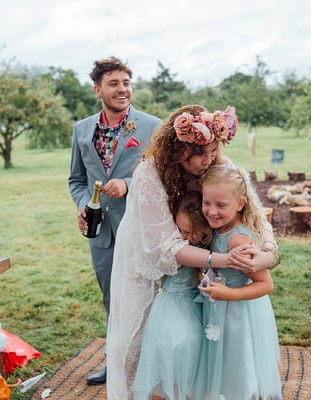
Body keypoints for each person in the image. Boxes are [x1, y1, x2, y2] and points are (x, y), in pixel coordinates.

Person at [106, 104, 281, 399]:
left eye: (213, 151)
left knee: (201, 347)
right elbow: (166, 247)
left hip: (203, 272)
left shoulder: (217, 169)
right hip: (149, 264)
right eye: (201, 152)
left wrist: (268, 255)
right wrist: (222, 260)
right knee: (153, 346)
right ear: (177, 148)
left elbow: (258, 219)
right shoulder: (150, 174)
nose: (207, 160)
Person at [68, 56, 161, 385]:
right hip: (102, 235)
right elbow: (76, 180)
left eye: (126, 83)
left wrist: (129, 185)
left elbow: (165, 177)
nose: (123, 90)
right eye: (114, 84)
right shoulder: (81, 131)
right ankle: (118, 364)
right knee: (113, 298)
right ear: (98, 90)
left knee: (149, 296)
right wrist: (83, 205)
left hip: (142, 230)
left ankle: (152, 366)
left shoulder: (152, 126)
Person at [195, 164, 282, 400]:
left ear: (241, 204)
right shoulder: (217, 229)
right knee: (222, 365)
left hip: (239, 314)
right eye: (207, 203)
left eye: (221, 205)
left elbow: (266, 285)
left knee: (237, 367)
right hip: (220, 308)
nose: (212, 211)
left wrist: (228, 294)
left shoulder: (238, 240)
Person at [133, 192, 212, 400]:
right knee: (168, 351)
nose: (183, 236)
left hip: (196, 306)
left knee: (193, 355)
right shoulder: (174, 246)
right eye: (179, 229)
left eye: (189, 231)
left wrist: (205, 275)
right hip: (170, 306)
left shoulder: (205, 248)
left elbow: (206, 280)